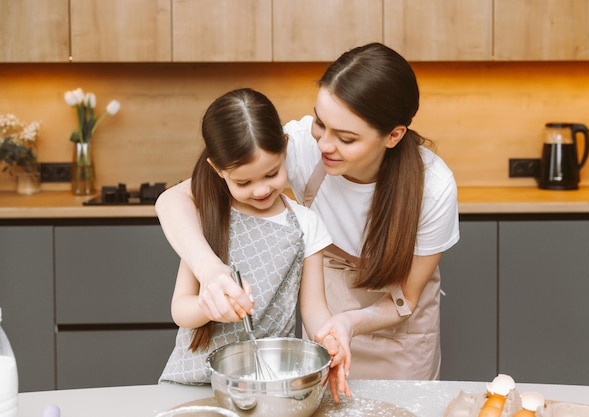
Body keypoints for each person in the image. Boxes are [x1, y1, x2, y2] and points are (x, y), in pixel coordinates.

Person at [156, 43, 459, 382]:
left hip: (399, 337)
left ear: (393, 135)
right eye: (320, 122)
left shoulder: (433, 187)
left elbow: (407, 297)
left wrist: (348, 321)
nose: (325, 145)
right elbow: (173, 200)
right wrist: (210, 272)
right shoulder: (298, 145)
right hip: (324, 336)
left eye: (345, 138)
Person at [158, 88, 350, 400]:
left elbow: (314, 308)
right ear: (219, 170)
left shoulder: (306, 224)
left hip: (269, 388)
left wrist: (328, 336)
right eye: (243, 182)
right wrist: (209, 308)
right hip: (194, 385)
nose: (261, 190)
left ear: (285, 148)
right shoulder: (207, 216)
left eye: (272, 174)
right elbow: (181, 310)